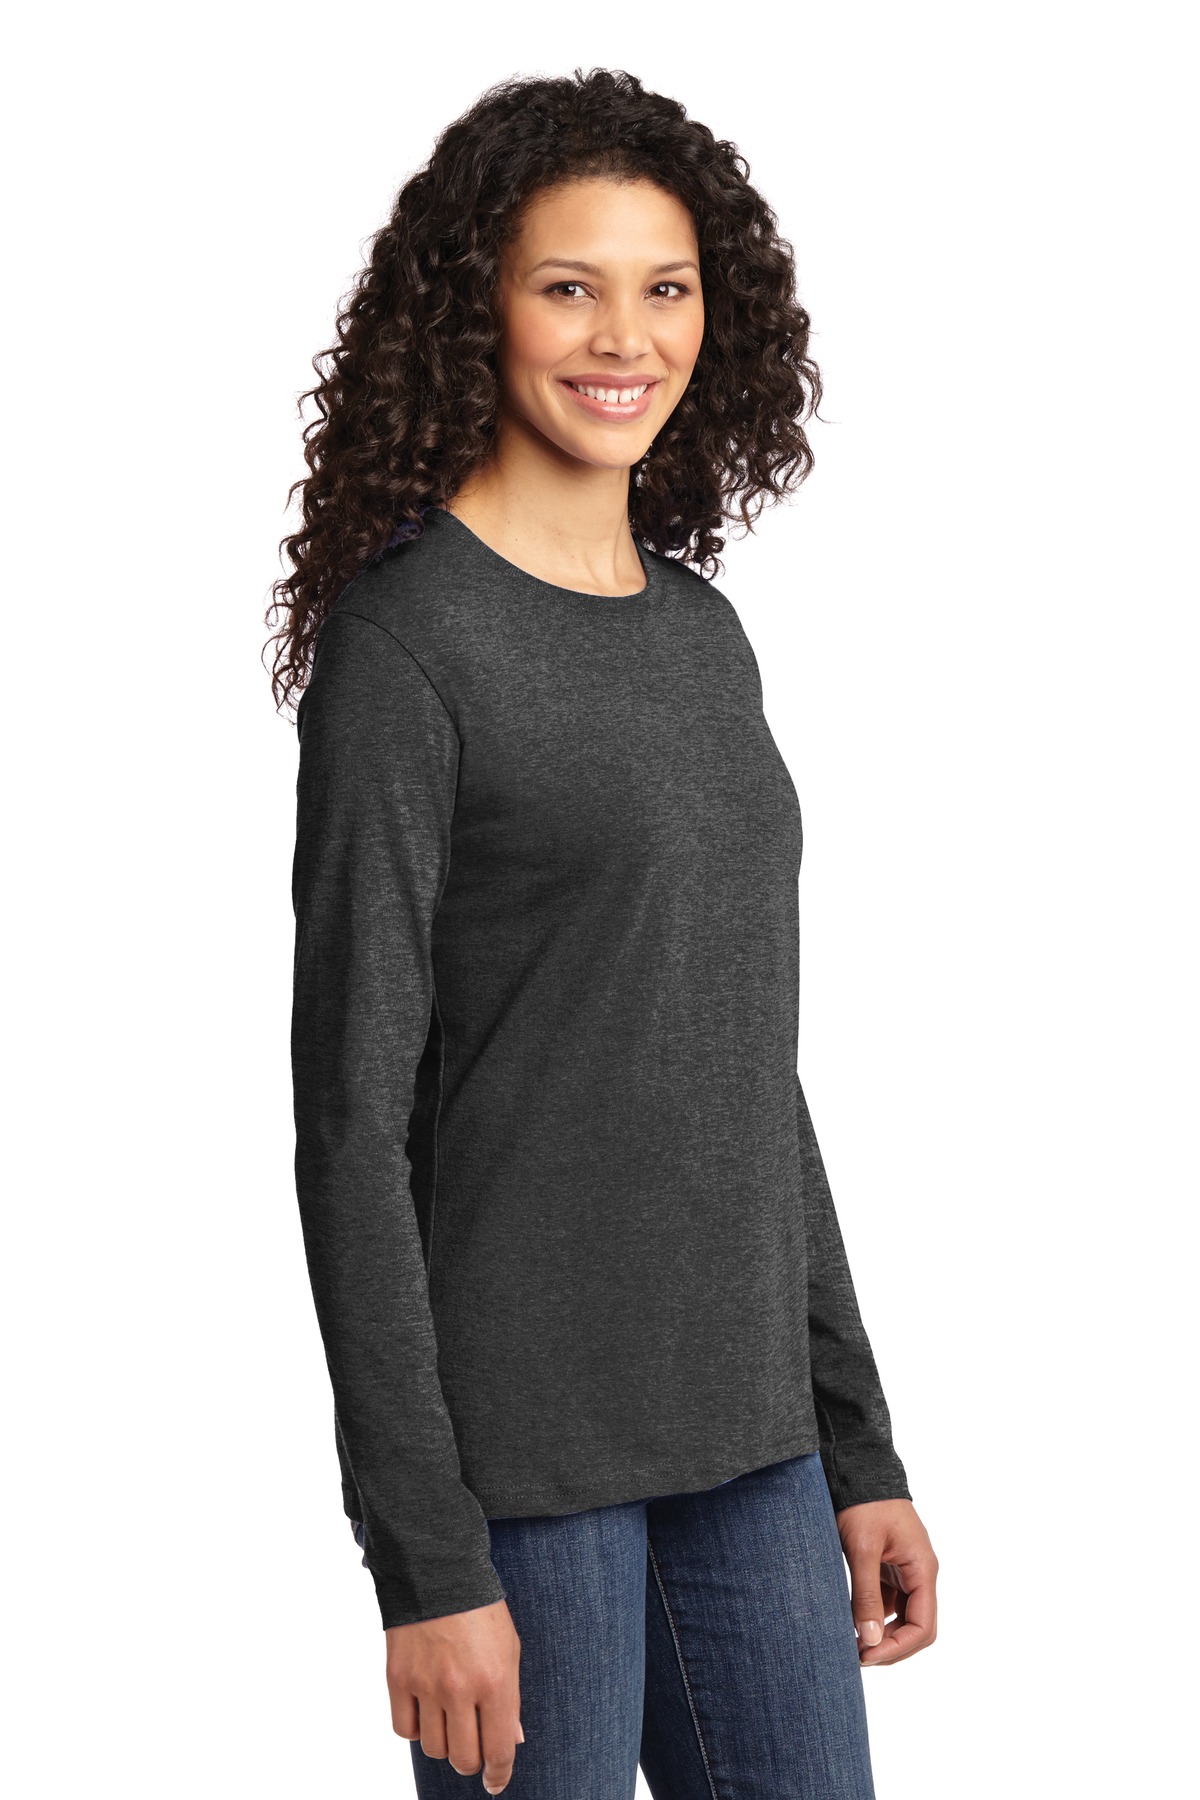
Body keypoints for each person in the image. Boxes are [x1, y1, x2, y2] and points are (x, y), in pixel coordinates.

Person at [268, 65, 938, 1800]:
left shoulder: (703, 638)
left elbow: (746, 1067)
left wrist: (855, 1444)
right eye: (568, 286)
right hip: (522, 1473)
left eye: (667, 287)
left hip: (754, 1449)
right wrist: (426, 1559)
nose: (623, 337)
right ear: (476, 307)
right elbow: (350, 1128)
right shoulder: (408, 650)